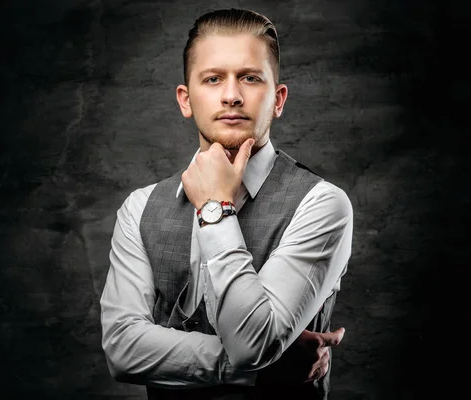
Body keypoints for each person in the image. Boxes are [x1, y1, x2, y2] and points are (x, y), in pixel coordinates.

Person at [100, 8, 353, 400]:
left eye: (250, 78)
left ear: (278, 99)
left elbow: (252, 344)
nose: (232, 94)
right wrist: (266, 369)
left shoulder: (322, 205)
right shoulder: (139, 208)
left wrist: (216, 205)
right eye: (213, 78)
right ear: (186, 100)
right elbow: (122, 349)